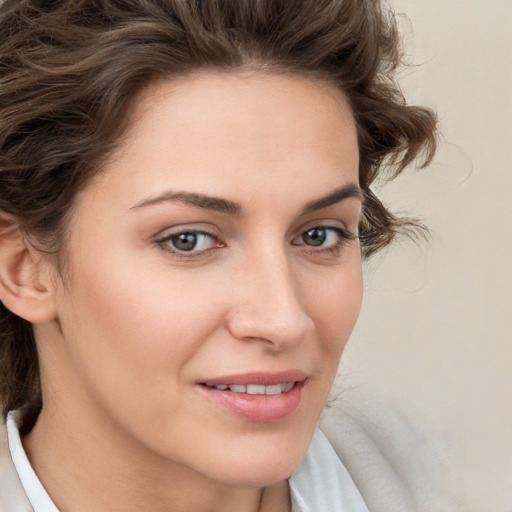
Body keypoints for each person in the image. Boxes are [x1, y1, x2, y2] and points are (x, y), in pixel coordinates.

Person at [0, 0, 437, 510]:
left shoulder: (432, 480)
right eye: (188, 240)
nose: (283, 321)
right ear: (24, 270)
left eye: (319, 234)